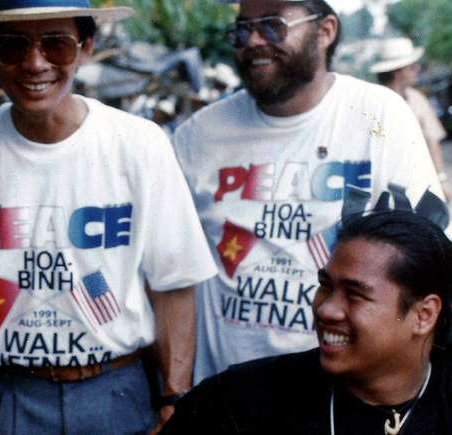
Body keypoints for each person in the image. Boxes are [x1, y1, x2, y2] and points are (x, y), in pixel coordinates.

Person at [0, 0, 218, 433]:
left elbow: (173, 282)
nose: (34, 63)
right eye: (12, 46)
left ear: (87, 48)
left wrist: (174, 398)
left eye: (56, 45)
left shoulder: (139, 145)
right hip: (12, 394)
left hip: (117, 391)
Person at [172, 0, 448, 385]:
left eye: (272, 26)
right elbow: (172, 272)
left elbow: (427, 251)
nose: (253, 41)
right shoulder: (198, 135)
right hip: (230, 394)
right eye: (242, 29)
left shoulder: (378, 116)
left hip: (347, 392)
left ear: (326, 31)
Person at [161, 210, 452, 434]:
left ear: (424, 315)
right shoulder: (235, 402)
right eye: (325, 286)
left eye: (354, 294)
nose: (326, 309)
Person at [372, 37, 448, 189]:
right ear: (398, 72)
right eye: (412, 67)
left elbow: (433, 142)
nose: (417, 69)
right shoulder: (373, 102)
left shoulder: (416, 98)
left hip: (419, 181)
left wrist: (441, 179)